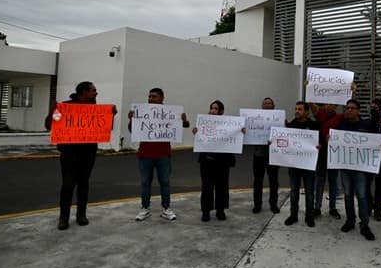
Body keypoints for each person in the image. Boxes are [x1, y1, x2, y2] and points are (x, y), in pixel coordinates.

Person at [44, 81, 116, 230]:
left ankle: (81, 215)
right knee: (68, 185)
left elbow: (107, 128)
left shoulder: (95, 109)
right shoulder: (66, 107)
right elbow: (49, 125)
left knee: (84, 184)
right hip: (69, 153)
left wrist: (111, 115)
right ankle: (63, 217)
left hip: (88, 152)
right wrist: (52, 112)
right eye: (93, 90)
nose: (96, 93)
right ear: (84, 92)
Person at [128, 88, 190, 222]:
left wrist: (184, 120)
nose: (151, 99)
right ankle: (145, 208)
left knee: (165, 182)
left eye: (154, 97)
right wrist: (132, 120)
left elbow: (184, 125)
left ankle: (166, 208)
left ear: (162, 98)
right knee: (145, 183)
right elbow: (131, 130)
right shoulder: (142, 112)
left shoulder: (170, 113)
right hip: (145, 154)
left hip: (163, 154)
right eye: (149, 96)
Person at [335, 99, 377, 241]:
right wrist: (330, 139)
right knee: (347, 195)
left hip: (361, 168)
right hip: (346, 168)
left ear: (359, 111)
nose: (349, 110)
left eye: (352, 108)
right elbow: (336, 142)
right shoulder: (341, 126)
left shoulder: (367, 125)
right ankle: (350, 221)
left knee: (362, 196)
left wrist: (379, 147)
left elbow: (375, 141)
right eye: (347, 108)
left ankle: (364, 225)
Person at [193, 100, 237, 222]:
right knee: (207, 187)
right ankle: (206, 212)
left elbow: (236, 136)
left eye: (216, 108)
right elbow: (200, 139)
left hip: (222, 162)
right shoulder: (203, 124)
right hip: (207, 161)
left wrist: (241, 132)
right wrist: (196, 133)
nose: (212, 110)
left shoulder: (228, 125)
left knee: (222, 186)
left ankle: (220, 210)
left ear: (221, 111)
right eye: (211, 108)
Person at [285, 101, 320, 227]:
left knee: (309, 192)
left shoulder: (314, 125)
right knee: (294, 191)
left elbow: (319, 142)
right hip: (294, 165)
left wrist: (319, 145)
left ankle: (309, 217)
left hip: (308, 164)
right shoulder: (290, 125)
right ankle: (293, 215)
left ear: (306, 112)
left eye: (299, 109)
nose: (296, 111)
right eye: (295, 109)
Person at [310, 102, 343, 220]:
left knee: (333, 182)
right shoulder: (321, 115)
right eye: (327, 104)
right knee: (319, 181)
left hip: (334, 155)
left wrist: (353, 92)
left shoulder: (340, 117)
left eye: (332, 104)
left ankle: (332, 208)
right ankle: (317, 207)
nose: (329, 106)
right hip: (322, 154)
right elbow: (312, 106)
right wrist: (309, 89)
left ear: (336, 106)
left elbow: (351, 108)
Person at [252, 97, 280, 214]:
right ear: (262, 107)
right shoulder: (255, 119)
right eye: (265, 104)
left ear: (273, 106)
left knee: (273, 181)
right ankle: (257, 205)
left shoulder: (279, 119)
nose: (267, 105)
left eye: (269, 104)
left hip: (273, 154)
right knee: (258, 181)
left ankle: (273, 204)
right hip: (258, 154)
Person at [367, 98, 381, 221]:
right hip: (368, 157)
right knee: (366, 184)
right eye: (372, 108)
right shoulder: (367, 122)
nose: (373, 110)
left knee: (379, 185)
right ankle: (368, 207)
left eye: (376, 108)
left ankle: (378, 210)